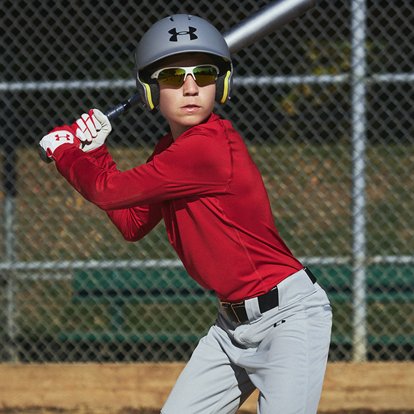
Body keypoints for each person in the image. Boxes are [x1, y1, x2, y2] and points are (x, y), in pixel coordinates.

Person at [39, 14, 332, 414]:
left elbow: (108, 192)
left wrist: (67, 151)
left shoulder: (207, 148)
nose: (191, 87)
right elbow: (132, 223)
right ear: (152, 90)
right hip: (230, 327)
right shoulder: (170, 152)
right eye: (174, 77)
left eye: (204, 74)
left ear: (221, 84)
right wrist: (95, 153)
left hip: (288, 322)